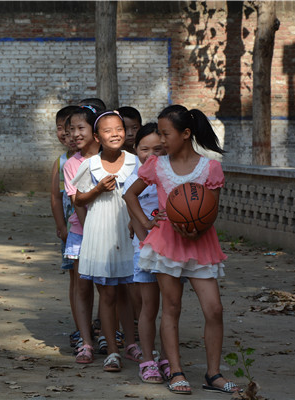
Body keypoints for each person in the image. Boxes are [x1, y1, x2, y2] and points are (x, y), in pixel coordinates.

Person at [123, 105, 241, 395]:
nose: (161, 140)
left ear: (186, 134)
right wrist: (148, 224)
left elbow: (210, 210)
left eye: (166, 134)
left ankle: (213, 374)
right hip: (167, 244)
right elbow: (130, 195)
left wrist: (197, 228)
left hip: (201, 243)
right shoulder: (157, 165)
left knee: (214, 309)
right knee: (171, 307)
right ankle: (176, 372)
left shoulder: (210, 168)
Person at [72, 110, 138, 372]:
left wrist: (139, 221)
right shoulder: (90, 165)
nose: (115, 134)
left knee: (127, 293)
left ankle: (131, 344)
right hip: (99, 232)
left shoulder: (135, 162)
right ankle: (112, 351)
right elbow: (78, 199)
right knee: (108, 294)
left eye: (119, 129)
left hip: (127, 231)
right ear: (97, 137)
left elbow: (145, 196)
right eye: (108, 131)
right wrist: (98, 189)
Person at [123, 122, 169, 384]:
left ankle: (168, 358)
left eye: (158, 149)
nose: (151, 155)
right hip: (145, 251)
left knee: (171, 307)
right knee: (148, 308)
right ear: (135, 149)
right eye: (144, 149)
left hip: (171, 252)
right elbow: (133, 215)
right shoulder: (134, 179)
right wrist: (146, 233)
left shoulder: (170, 175)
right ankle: (148, 359)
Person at [61, 105, 100, 363]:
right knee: (83, 287)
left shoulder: (111, 158)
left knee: (110, 289)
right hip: (82, 232)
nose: (75, 134)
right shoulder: (71, 164)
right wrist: (90, 233)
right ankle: (86, 341)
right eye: (71, 129)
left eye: (80, 128)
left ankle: (109, 336)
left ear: (95, 130)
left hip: (111, 234)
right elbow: (77, 202)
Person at [50, 105, 80, 346]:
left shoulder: (96, 160)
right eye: (61, 128)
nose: (67, 134)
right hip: (72, 231)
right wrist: (61, 225)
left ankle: (103, 326)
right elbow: (56, 197)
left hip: (94, 227)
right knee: (76, 279)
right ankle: (81, 327)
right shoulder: (61, 162)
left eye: (71, 128)